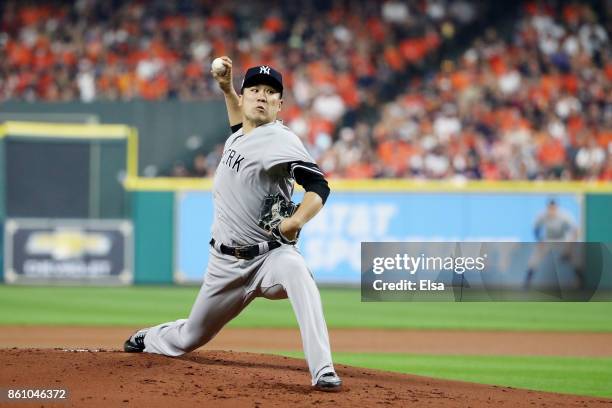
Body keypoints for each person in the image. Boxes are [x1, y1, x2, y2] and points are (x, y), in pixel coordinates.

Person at [124, 57, 342, 391]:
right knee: (189, 338)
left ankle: (322, 368)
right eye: (254, 89)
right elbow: (239, 125)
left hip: (269, 257)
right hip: (225, 264)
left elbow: (319, 186)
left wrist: (297, 219)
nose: (262, 96)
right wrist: (226, 87)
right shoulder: (240, 134)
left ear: (279, 105)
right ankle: (151, 336)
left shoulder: (280, 141)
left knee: (298, 273)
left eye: (270, 92)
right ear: (244, 97)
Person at [524, 198, 583, 289]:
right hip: (548, 240)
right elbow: (536, 228)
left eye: (553, 208)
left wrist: (570, 246)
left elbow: (575, 230)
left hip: (562, 240)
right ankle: (526, 284)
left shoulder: (564, 215)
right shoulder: (543, 215)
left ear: (557, 207)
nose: (552, 210)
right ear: (548, 207)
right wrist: (539, 240)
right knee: (534, 258)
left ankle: (581, 282)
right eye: (550, 208)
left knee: (575, 259)